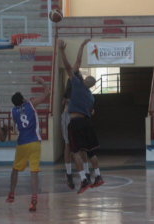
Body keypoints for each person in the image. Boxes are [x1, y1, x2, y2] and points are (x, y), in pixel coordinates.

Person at [59, 38, 104, 194]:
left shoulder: (77, 84)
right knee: (91, 152)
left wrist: (62, 51)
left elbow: (68, 65)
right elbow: (92, 112)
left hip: (75, 122)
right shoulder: (91, 96)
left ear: (84, 80)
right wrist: (82, 46)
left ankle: (83, 179)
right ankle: (98, 176)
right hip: (88, 123)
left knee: (75, 151)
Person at [6, 77, 50, 212]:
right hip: (34, 141)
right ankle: (34, 198)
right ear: (23, 99)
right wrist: (42, 82)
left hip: (22, 143)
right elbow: (47, 93)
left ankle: (12, 194)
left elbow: (15, 125)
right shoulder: (31, 104)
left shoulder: (13, 112)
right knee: (34, 172)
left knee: (15, 169)